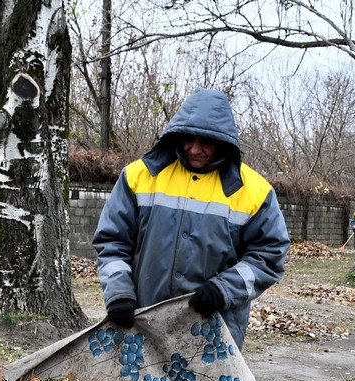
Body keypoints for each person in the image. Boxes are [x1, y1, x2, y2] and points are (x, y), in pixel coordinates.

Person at [93, 87, 290, 349]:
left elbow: (270, 254)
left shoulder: (254, 190)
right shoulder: (139, 176)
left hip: (215, 330)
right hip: (144, 323)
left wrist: (224, 290)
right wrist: (119, 294)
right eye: (188, 139)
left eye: (206, 141)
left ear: (225, 141)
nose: (195, 149)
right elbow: (112, 242)